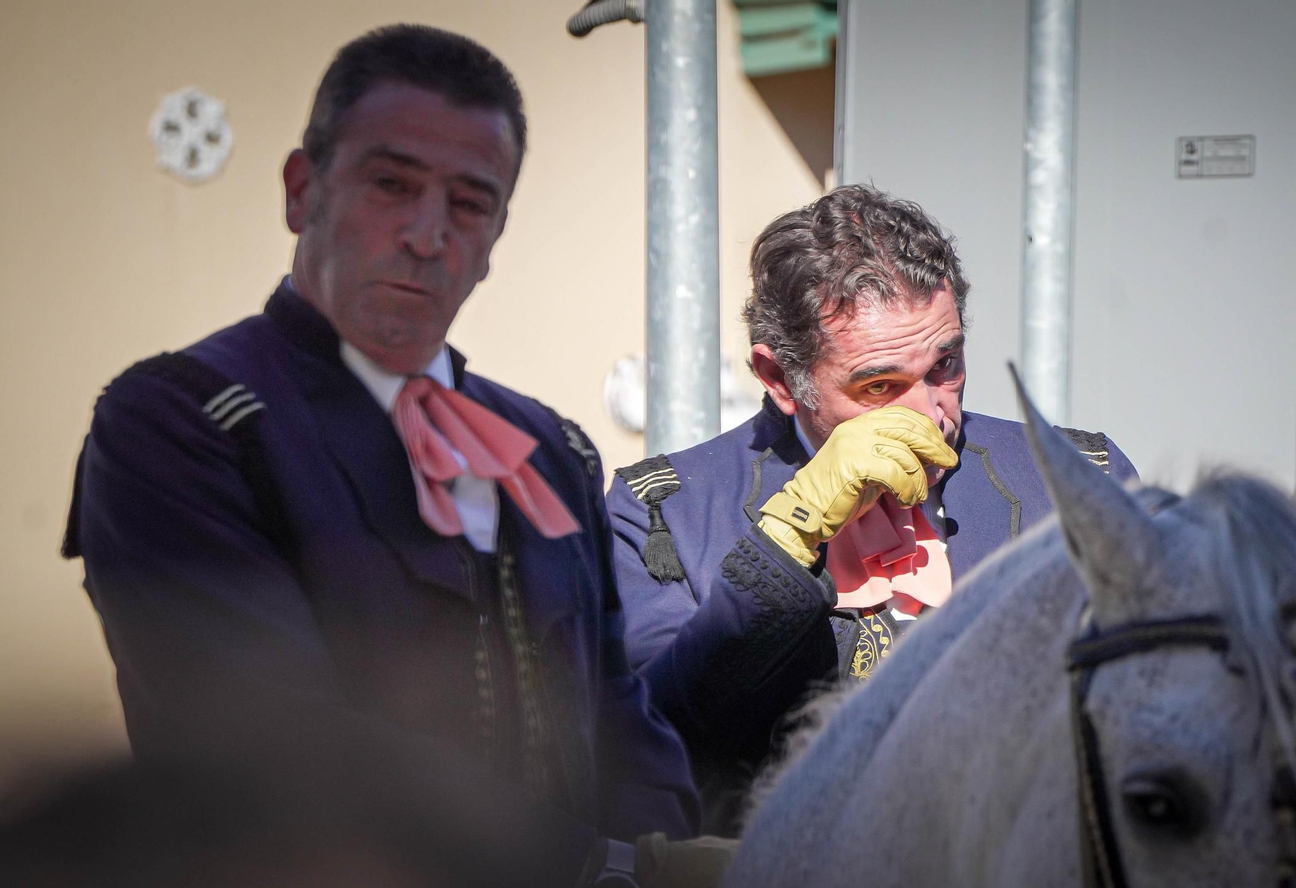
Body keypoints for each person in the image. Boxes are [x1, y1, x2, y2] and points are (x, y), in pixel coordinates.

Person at [63, 24, 721, 887]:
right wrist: (601, 867)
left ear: (495, 238)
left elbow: (619, 720)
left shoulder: (550, 449)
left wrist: (667, 863)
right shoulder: (183, 422)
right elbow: (266, 741)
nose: (426, 233)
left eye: (469, 202)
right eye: (390, 184)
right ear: (303, 192)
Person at [607, 184, 1139, 833]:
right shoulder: (664, 513)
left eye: (946, 365)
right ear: (779, 379)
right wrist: (789, 537)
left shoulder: (1075, 478)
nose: (931, 417)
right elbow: (650, 749)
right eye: (880, 386)